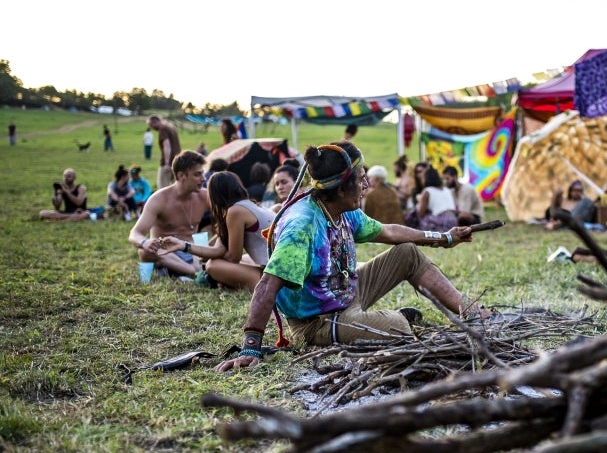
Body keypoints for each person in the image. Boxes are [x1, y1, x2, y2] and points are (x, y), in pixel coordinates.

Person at [214, 141, 490, 372]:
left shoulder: (344, 210)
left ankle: (472, 313)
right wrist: (251, 346)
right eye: (361, 179)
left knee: (407, 252)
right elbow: (267, 284)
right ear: (342, 186)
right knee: (397, 327)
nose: (367, 184)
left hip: (348, 294)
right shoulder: (302, 227)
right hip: (318, 322)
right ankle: (382, 322)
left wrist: (444, 238)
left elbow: (391, 232)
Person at [158, 171, 275, 290]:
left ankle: (233, 283)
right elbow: (218, 249)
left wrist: (213, 260)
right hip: (280, 268)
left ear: (215, 195)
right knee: (240, 260)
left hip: (276, 277)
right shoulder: (248, 206)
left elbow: (234, 257)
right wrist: (181, 245)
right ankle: (229, 283)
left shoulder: (236, 212)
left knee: (213, 266)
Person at [128, 150, 207, 278]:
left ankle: (189, 272)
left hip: (193, 251)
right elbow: (134, 233)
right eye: (197, 174)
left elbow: (226, 221)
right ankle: (195, 272)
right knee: (144, 252)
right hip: (167, 253)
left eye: (202, 173)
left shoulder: (204, 196)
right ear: (181, 176)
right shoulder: (159, 199)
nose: (203, 179)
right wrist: (145, 242)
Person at [147, 114, 182, 190]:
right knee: (176, 187)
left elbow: (167, 146)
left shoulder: (163, 129)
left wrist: (166, 163)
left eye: (150, 125)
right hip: (178, 161)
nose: (151, 127)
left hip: (168, 162)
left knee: (162, 187)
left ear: (155, 122)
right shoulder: (171, 127)